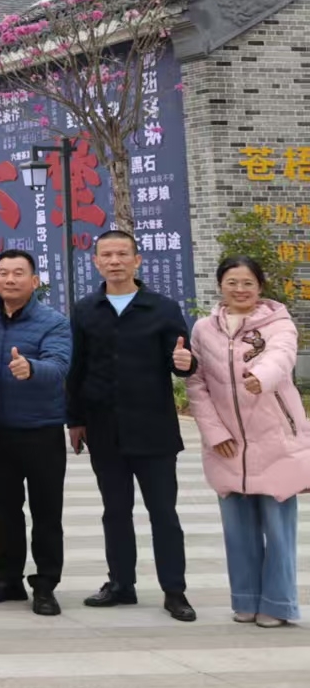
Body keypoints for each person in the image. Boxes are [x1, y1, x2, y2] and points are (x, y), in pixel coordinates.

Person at [66, 229, 194, 620]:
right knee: (115, 510)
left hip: (154, 429)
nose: (115, 261)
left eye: (123, 254)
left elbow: (182, 359)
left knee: (163, 514)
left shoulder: (163, 308)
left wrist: (186, 364)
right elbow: (77, 368)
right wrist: (75, 420)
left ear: (137, 260)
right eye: (107, 255)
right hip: (105, 428)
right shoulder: (86, 309)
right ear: (96, 262)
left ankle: (175, 591)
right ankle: (121, 584)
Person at [185, 256, 309, 626]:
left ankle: (277, 604)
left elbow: (281, 356)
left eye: (248, 283)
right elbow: (196, 381)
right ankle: (245, 599)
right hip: (228, 445)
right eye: (232, 282)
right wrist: (214, 432)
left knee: (278, 528)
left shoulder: (278, 323)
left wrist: (261, 375)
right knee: (237, 530)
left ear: (260, 287)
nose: (240, 290)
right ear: (220, 285)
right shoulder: (204, 329)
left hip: (276, 441)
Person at [0, 248, 71, 615]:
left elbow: (59, 366)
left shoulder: (53, 322)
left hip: (40, 431)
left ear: (35, 281)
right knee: (6, 512)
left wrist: (30, 367)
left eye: (18, 273)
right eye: (3, 273)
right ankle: (8, 579)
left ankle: (45, 584)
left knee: (47, 512)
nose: (9, 280)